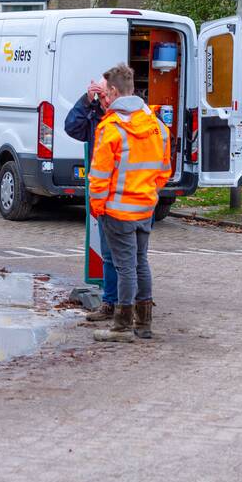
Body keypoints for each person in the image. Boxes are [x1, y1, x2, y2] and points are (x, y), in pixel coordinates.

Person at [87, 64, 170, 342]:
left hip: (117, 211)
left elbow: (99, 177)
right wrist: (149, 193)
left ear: (112, 91)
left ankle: (121, 326)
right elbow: (163, 170)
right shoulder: (156, 126)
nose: (105, 100)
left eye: (106, 94)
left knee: (124, 267)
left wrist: (98, 207)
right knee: (140, 263)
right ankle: (144, 323)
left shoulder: (110, 128)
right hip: (145, 207)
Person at [65, 77, 118, 323]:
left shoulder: (129, 118)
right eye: (101, 95)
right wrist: (86, 101)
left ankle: (130, 302)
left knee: (129, 257)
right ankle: (112, 302)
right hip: (104, 199)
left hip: (125, 197)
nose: (104, 100)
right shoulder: (95, 115)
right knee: (108, 254)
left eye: (106, 94)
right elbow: (71, 127)